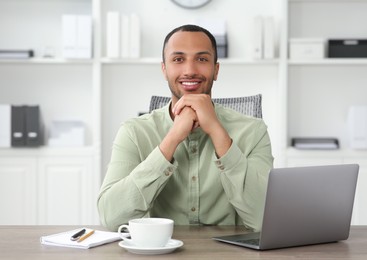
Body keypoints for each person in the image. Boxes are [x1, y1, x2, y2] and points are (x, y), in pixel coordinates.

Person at [97, 24, 274, 232]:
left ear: (216, 70)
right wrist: (171, 139)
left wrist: (218, 132)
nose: (190, 71)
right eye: (178, 59)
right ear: (165, 69)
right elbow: (111, 217)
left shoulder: (254, 131)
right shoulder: (133, 132)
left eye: (201, 59)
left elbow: (264, 220)